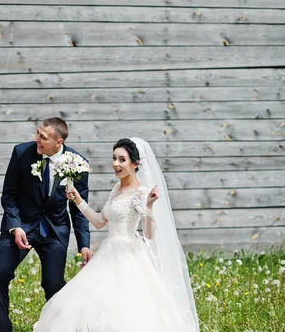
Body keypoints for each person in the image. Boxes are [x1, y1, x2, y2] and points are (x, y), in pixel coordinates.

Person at [33, 138, 199, 332]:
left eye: (122, 160)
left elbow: (150, 234)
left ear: (135, 164)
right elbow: (99, 221)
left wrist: (150, 206)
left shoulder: (141, 192)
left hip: (129, 253)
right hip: (108, 250)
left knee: (125, 304)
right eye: (114, 158)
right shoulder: (116, 188)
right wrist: (78, 200)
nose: (116, 164)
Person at [0, 117, 91, 332]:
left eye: (43, 137)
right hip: (21, 225)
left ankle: (58, 327)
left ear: (58, 141)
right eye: (37, 133)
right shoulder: (21, 153)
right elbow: (9, 196)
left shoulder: (77, 163)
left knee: (53, 284)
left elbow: (78, 208)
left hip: (54, 230)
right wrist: (16, 226)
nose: (37, 139)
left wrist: (84, 244)